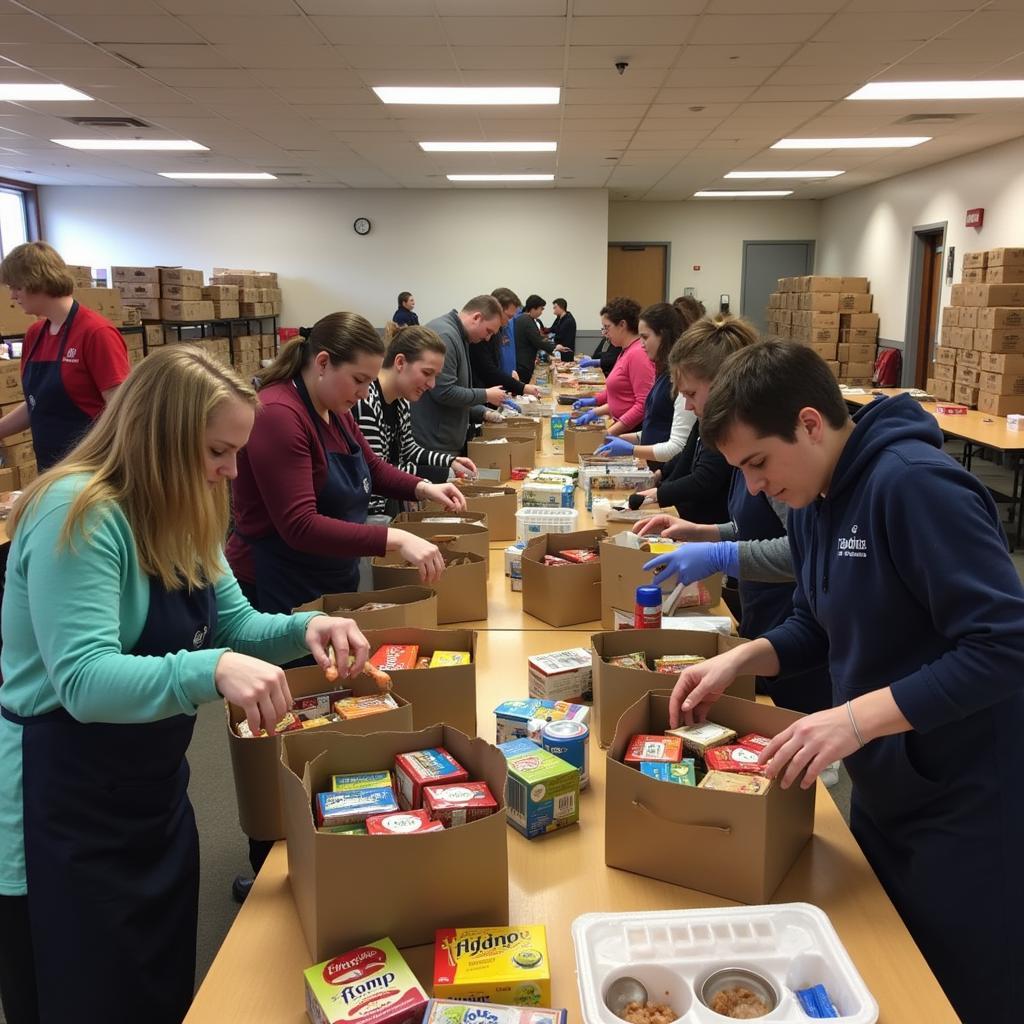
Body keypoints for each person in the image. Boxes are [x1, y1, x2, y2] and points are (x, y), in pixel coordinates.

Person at [0, 344, 373, 1024]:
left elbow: (235, 624)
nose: (231, 470)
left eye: (235, 451)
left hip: (147, 787)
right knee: (82, 993)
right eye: (215, 452)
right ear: (154, 437)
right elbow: (82, 680)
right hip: (61, 802)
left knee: (159, 980)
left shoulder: (188, 502)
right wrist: (209, 669)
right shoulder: (76, 512)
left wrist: (304, 630)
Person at [668, 339, 1024, 1024]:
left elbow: (1004, 645)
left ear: (809, 423)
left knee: (955, 988)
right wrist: (744, 657)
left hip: (967, 797)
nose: (755, 487)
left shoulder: (913, 485)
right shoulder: (813, 499)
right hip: (889, 783)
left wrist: (855, 719)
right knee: (882, 964)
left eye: (759, 463)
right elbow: (816, 622)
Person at [631, 322, 832, 717]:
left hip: (790, 625)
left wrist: (720, 554)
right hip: (774, 622)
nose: (688, 406)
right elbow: (759, 527)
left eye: (691, 393)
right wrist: (704, 534)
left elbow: (804, 552)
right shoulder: (751, 451)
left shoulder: (786, 464)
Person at [227, 312, 467, 615]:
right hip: (277, 584)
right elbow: (299, 525)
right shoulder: (279, 415)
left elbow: (373, 468)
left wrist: (423, 488)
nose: (366, 392)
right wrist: (396, 538)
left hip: (326, 574)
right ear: (323, 363)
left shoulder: (334, 408)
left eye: (369, 381)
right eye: (359, 380)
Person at [0, 241, 130, 470]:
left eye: (16, 287)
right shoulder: (34, 335)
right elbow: (37, 404)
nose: (12, 295)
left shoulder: (96, 333)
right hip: (49, 467)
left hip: (90, 470)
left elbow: (121, 411)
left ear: (36, 280)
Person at [355, 324, 477, 516]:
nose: (432, 384)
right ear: (400, 362)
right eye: (427, 373)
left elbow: (409, 450)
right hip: (369, 515)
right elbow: (379, 472)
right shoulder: (366, 400)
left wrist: (450, 462)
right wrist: (440, 475)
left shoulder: (402, 400)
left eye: (435, 376)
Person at [632, 316, 742, 524]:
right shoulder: (706, 418)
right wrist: (660, 477)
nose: (688, 406)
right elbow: (686, 455)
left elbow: (705, 479)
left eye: (691, 394)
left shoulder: (728, 429)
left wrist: (660, 494)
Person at [595, 301, 697, 469]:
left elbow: (677, 446)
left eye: (645, 337)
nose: (641, 344)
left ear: (663, 336)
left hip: (664, 468)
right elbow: (657, 427)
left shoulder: (682, 381)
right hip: (654, 465)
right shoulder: (663, 373)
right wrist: (627, 438)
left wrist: (632, 449)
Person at [410, 295, 508, 456]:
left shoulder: (459, 336)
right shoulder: (446, 336)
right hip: (435, 444)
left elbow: (460, 391)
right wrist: (485, 395)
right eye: (488, 331)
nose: (487, 338)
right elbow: (444, 392)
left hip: (445, 440)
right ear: (476, 317)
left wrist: (482, 412)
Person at [571, 297, 654, 438]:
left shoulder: (638, 354)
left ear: (622, 325)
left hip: (629, 432)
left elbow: (642, 404)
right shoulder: (625, 350)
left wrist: (611, 432)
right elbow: (621, 395)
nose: (605, 333)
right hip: (622, 427)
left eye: (607, 327)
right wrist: (595, 405)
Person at [468, 287, 540, 400]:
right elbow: (488, 371)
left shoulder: (501, 329)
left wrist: (512, 377)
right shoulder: (481, 334)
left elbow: (501, 361)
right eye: (509, 317)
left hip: (498, 390)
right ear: (496, 310)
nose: (509, 322)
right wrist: (521, 387)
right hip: (483, 396)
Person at [514, 294, 554, 384]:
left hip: (522, 361)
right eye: (541, 309)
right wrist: (554, 348)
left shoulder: (524, 318)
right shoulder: (527, 320)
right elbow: (538, 340)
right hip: (524, 363)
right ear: (533, 308)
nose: (541, 312)